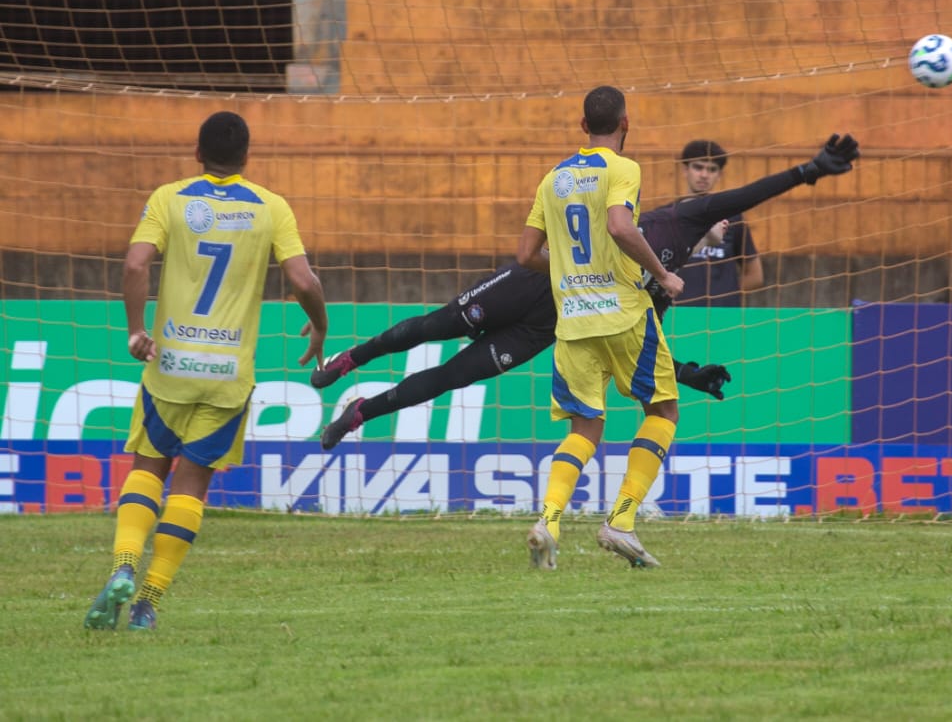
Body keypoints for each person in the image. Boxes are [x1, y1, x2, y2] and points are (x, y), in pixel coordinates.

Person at [309, 133, 861, 455]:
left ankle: (360, 412)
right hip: (527, 283)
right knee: (432, 327)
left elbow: (642, 342)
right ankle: (351, 358)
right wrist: (808, 171)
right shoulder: (668, 220)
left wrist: (687, 373)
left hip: (545, 327)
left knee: (454, 376)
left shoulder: (663, 278)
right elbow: (750, 190)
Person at [83, 111, 328, 631]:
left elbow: (133, 264)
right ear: (246, 157)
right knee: (191, 487)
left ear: (197, 153)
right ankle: (148, 603)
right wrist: (320, 325)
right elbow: (304, 281)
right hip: (227, 377)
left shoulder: (170, 198)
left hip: (170, 366)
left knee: (148, 469)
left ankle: (124, 565)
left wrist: (135, 329)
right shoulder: (271, 207)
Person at [512, 84, 686, 571]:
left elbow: (525, 254)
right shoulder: (623, 168)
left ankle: (548, 521)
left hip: (573, 321)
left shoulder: (553, 179)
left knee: (584, 426)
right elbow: (619, 226)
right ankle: (622, 521)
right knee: (663, 409)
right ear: (625, 124)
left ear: (583, 127)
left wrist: (567, 269)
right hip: (624, 312)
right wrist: (665, 274)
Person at [675, 140, 764, 307]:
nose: (704, 174)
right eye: (698, 167)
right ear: (685, 170)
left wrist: (725, 296)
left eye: (711, 169)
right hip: (676, 314)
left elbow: (755, 275)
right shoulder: (667, 216)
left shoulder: (732, 218)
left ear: (719, 174)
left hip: (722, 318)